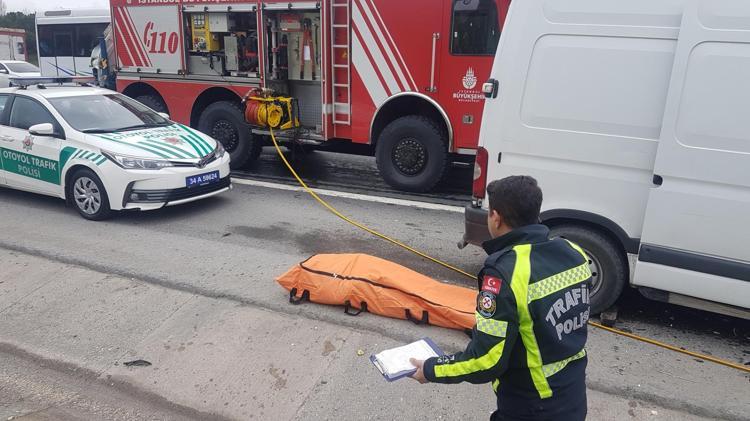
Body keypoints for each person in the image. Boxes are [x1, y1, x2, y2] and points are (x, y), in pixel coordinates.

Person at [410, 176, 591, 421]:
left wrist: (431, 369)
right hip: (573, 399)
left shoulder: (506, 272)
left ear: (496, 217)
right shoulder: (573, 252)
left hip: (531, 407)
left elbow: (486, 360)